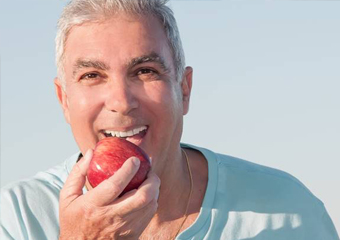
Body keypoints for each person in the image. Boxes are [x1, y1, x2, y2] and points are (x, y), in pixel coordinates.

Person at [1, 0, 339, 239]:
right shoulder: (16, 219)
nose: (121, 102)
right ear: (64, 100)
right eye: (92, 75)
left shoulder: (289, 210)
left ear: (185, 89)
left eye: (145, 71)